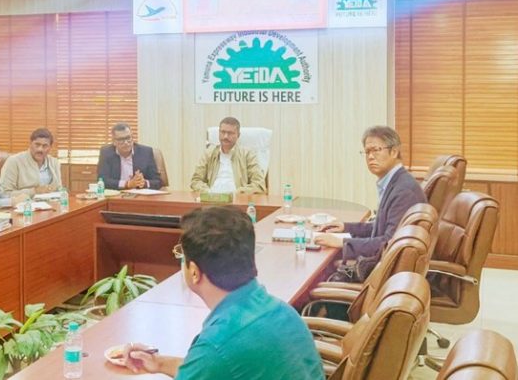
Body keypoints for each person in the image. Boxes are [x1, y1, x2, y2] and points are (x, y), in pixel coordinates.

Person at [122, 206, 323, 380]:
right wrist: (159, 363)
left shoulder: (217, 345)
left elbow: (214, 362)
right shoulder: (280, 311)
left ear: (194, 272)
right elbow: (216, 368)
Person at [315, 126, 426, 259]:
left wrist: (342, 242)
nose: (370, 157)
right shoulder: (395, 182)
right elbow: (381, 228)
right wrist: (346, 227)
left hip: (385, 268)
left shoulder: (404, 191)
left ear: (394, 152)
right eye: (367, 152)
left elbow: (388, 243)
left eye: (376, 150)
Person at [190, 117, 265, 194]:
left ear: (238, 135)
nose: (225, 136)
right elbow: (196, 180)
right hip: (211, 198)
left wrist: (236, 193)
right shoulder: (208, 154)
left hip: (236, 198)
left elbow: (259, 185)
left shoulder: (248, 155)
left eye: (230, 133)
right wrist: (208, 192)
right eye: (223, 132)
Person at [97, 122, 162, 190]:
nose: (126, 142)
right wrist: (127, 184)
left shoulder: (145, 152)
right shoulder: (106, 152)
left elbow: (158, 181)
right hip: (116, 194)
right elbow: (102, 180)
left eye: (128, 138)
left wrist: (144, 183)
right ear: (114, 142)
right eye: (121, 139)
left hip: (138, 194)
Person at [0, 128, 62, 197]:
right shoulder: (14, 161)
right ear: (30, 144)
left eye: (45, 146)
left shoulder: (54, 162)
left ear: (50, 147)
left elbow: (59, 190)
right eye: (37, 145)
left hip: (50, 202)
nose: (40, 149)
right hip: (24, 202)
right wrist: (34, 191)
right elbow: (4, 194)